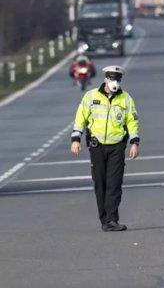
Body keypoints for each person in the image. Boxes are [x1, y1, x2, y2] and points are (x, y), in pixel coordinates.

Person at [70, 65, 140, 231]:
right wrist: (75, 139)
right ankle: (104, 220)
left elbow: (132, 120)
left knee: (114, 184)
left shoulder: (125, 99)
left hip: (117, 146)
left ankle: (112, 219)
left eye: (117, 79)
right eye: (111, 78)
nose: (114, 82)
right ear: (105, 79)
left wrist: (134, 142)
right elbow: (81, 118)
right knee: (100, 183)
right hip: (97, 146)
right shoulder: (91, 96)